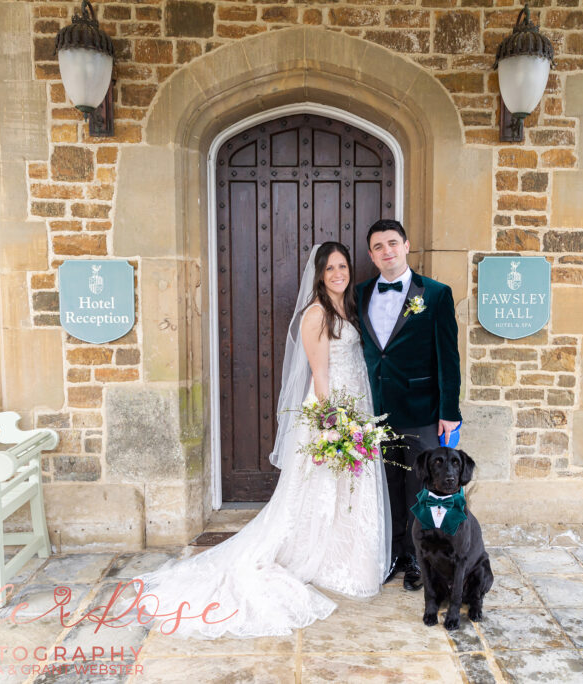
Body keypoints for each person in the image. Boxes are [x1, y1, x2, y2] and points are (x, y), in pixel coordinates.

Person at [135, 242, 392, 638]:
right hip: (333, 412)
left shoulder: (349, 308)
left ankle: (346, 557)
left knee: (348, 490)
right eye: (330, 269)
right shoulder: (317, 314)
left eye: (343, 266)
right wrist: (333, 424)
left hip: (356, 406)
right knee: (319, 490)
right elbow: (320, 376)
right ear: (320, 276)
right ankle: (314, 557)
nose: (339, 273)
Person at [357, 219, 462, 591]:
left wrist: (450, 411)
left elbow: (448, 356)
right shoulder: (360, 293)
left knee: (422, 488)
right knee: (387, 488)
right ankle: (392, 556)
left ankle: (419, 559)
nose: (387, 251)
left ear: (406, 245)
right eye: (378, 247)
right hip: (376, 410)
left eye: (392, 243)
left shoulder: (435, 294)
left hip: (422, 410)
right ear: (371, 255)